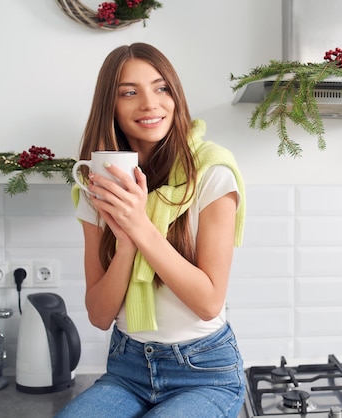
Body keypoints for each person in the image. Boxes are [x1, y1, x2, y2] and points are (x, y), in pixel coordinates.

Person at [55, 43, 246, 418]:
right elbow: (99, 314)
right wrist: (124, 242)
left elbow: (208, 303)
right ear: (110, 106)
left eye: (161, 88)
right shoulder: (98, 188)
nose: (150, 103)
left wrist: (140, 225)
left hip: (204, 372)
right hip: (127, 370)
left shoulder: (212, 173)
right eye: (129, 92)